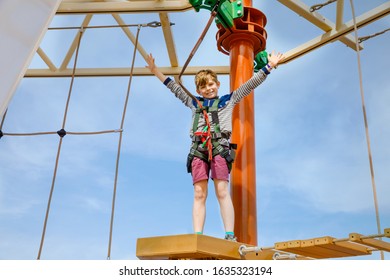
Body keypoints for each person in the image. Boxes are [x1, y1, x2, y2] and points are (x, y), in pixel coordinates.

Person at [145, 51, 284, 241]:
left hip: (219, 147)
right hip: (198, 149)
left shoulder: (228, 100)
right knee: (199, 193)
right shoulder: (194, 102)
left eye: (211, 84)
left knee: (221, 190)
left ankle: (229, 234)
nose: (208, 89)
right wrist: (155, 71)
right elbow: (174, 88)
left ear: (217, 84)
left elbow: (249, 86)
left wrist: (269, 67)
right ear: (199, 90)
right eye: (203, 87)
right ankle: (198, 236)